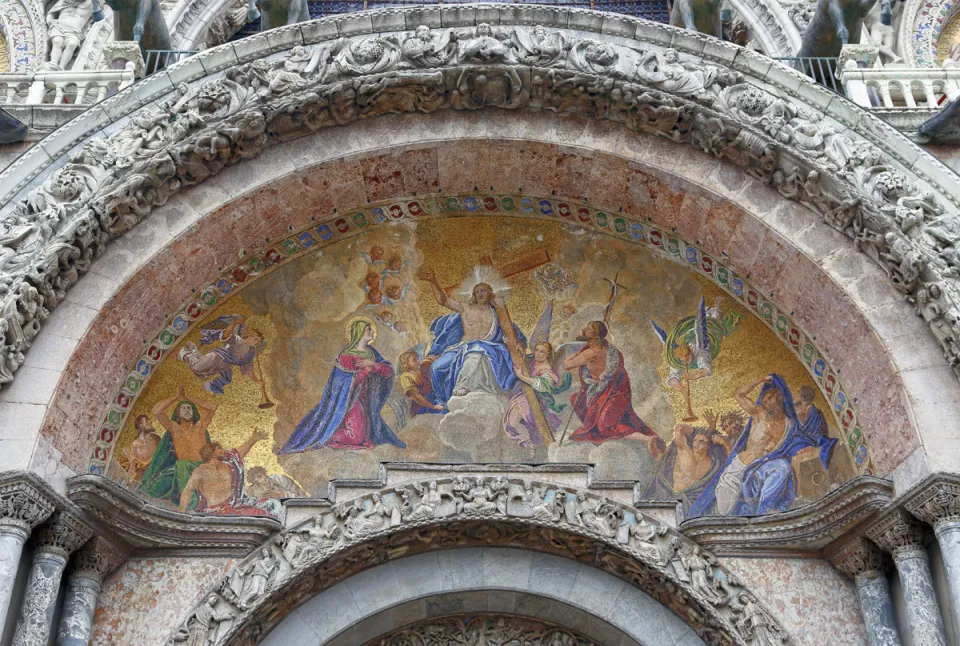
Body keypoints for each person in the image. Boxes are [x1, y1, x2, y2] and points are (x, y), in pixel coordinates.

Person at [687, 375, 837, 517]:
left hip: (762, 467)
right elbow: (739, 394)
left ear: (780, 397)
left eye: (771, 398)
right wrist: (760, 380)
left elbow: (794, 443)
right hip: (739, 468)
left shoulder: (789, 425)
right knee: (724, 510)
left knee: (782, 467)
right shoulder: (759, 414)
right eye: (765, 401)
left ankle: (764, 512)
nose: (768, 403)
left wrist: (804, 448)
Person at [278, 317, 405, 453]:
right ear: (360, 332)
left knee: (368, 435)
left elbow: (389, 371)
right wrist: (366, 371)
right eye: (368, 330)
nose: (372, 332)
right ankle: (329, 434)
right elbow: (342, 383)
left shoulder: (372, 353)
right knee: (356, 438)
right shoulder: (346, 356)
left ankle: (336, 429)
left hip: (366, 399)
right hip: (348, 401)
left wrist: (373, 364)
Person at [418, 268, 524, 402]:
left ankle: (462, 385)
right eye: (477, 291)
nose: (480, 294)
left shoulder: (497, 313)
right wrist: (433, 281)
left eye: (483, 290)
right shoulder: (465, 308)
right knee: (436, 367)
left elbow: (511, 330)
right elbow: (443, 300)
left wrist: (519, 342)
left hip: (486, 347)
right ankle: (443, 400)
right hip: (462, 347)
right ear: (473, 294)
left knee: (475, 353)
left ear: (490, 293)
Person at [562, 321, 664, 456]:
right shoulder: (609, 349)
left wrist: (576, 354)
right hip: (612, 392)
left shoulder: (590, 352)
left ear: (594, 334)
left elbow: (567, 365)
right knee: (578, 401)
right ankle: (646, 439)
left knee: (605, 426)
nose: (584, 330)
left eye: (588, 329)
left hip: (610, 394)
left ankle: (648, 439)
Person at [139, 387, 216, 504]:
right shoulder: (174, 429)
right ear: (178, 413)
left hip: (200, 466)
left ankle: (190, 503)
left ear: (194, 412)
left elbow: (212, 407)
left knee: (182, 465)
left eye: (189, 408)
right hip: (180, 469)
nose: (186, 410)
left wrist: (189, 398)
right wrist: (175, 397)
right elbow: (156, 411)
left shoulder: (200, 427)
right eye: (183, 408)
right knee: (157, 484)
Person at [179, 429, 271, 515]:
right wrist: (181, 513)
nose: (223, 451)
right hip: (214, 510)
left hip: (235, 505)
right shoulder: (200, 471)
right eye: (219, 449)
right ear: (212, 453)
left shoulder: (229, 464)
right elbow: (188, 490)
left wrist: (253, 439)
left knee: (270, 504)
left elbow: (239, 453)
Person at [503, 341, 571, 456]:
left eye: (542, 352)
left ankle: (531, 446)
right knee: (512, 423)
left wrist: (521, 376)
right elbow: (520, 357)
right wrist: (511, 344)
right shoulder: (533, 360)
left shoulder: (547, 369)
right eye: (537, 350)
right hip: (520, 395)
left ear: (548, 355)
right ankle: (529, 443)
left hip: (534, 399)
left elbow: (541, 384)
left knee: (518, 422)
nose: (538, 354)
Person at [643, 424, 727, 508]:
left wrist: (724, 442)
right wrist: (693, 430)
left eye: (701, 442)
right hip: (673, 499)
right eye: (695, 440)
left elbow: (732, 462)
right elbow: (679, 428)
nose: (696, 444)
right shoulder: (684, 452)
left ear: (708, 446)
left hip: (693, 503)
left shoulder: (713, 464)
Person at [178, 315, 264, 395]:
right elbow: (227, 335)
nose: (255, 342)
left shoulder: (250, 353)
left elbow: (249, 369)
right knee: (197, 368)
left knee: (225, 378)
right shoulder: (238, 341)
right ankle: (187, 353)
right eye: (255, 339)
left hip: (225, 366)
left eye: (258, 342)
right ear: (250, 335)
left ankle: (211, 385)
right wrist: (234, 323)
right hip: (217, 358)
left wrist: (256, 381)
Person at [397, 351, 444, 415]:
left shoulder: (423, 365)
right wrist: (434, 407)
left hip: (435, 395)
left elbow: (436, 358)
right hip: (423, 405)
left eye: (417, 358)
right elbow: (416, 396)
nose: (418, 361)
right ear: (406, 363)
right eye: (414, 360)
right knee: (444, 410)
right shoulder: (405, 377)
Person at [120, 415, 161, 481]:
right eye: (147, 420)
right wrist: (131, 460)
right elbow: (132, 469)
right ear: (140, 425)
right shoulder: (135, 445)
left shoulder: (156, 439)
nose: (150, 422)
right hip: (148, 479)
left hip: (162, 472)